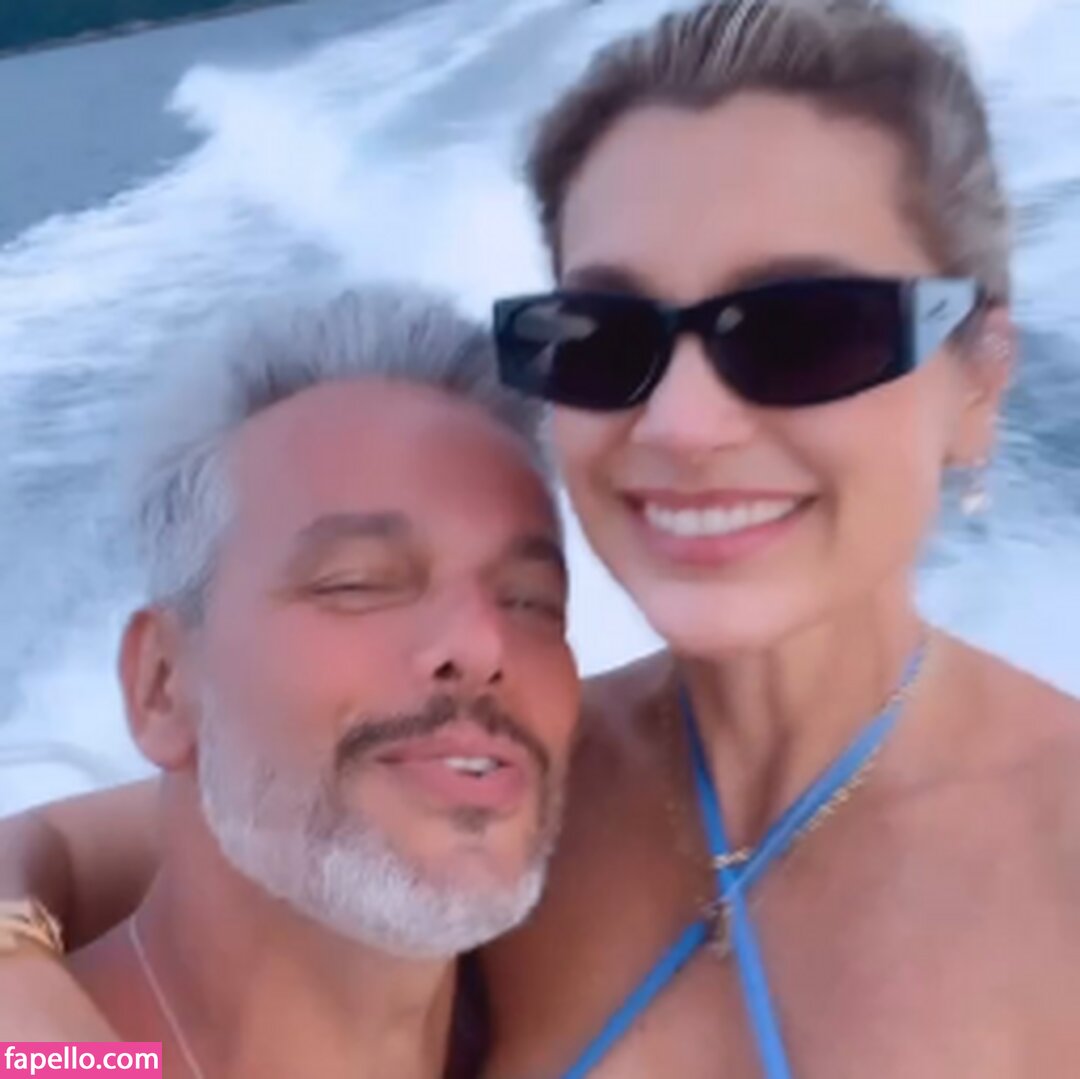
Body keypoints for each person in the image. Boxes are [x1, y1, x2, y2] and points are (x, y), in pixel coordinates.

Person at [3, 0, 1080, 1075]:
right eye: (611, 339)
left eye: (806, 329)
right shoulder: (515, 777)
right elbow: (108, 844)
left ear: (979, 378)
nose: (682, 423)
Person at [0, 285, 579, 1079]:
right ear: (162, 684)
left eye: (532, 600)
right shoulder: (46, 1056)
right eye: (359, 583)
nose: (484, 643)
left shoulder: (629, 990)